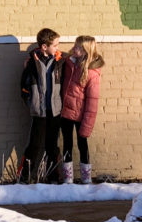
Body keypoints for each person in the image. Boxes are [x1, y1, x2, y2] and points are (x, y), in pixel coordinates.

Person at [18, 28, 63, 183]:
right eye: (55, 45)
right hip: (39, 112)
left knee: (52, 147)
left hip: (55, 111)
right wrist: (31, 103)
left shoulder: (60, 61)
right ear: (45, 46)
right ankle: (25, 177)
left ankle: (53, 177)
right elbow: (24, 86)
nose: (58, 48)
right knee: (34, 145)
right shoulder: (32, 63)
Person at [59, 35, 104, 184]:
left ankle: (86, 179)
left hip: (81, 117)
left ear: (85, 51)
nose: (74, 48)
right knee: (67, 144)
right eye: (75, 45)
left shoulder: (92, 73)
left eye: (78, 47)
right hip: (66, 113)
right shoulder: (69, 63)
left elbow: (92, 103)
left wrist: (87, 125)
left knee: (82, 145)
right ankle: (68, 179)